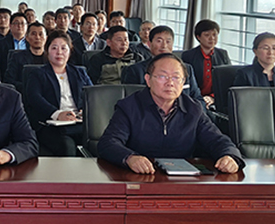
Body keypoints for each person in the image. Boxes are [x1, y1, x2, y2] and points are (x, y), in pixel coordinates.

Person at [98, 53, 243, 173]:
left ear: (183, 82)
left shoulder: (193, 109)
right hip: (140, 177)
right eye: (162, 76)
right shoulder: (129, 107)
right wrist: (130, 158)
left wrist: (230, 156)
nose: (170, 83)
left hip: (181, 181)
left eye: (176, 77)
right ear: (148, 80)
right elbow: (108, 143)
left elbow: (217, 140)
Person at [24, 31, 92, 156]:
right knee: (67, 147)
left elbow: (92, 95)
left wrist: (85, 110)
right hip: (51, 126)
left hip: (78, 123)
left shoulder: (79, 72)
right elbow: (34, 98)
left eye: (63, 48)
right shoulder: (37, 74)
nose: (59, 52)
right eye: (54, 48)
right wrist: (57, 114)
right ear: (47, 51)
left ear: (70, 51)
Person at [122, 26, 207, 110]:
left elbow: (198, 99)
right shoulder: (135, 70)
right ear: (149, 44)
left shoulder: (187, 69)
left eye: (168, 41)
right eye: (159, 41)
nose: (164, 45)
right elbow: (133, 103)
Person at [181, 19, 231, 108]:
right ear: (198, 37)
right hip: (194, 99)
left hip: (217, 99)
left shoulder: (223, 54)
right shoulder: (188, 56)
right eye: (207, 35)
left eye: (214, 35)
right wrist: (200, 99)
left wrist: (212, 98)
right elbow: (187, 84)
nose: (212, 38)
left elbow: (227, 81)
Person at [4, 21, 47, 92]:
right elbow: (8, 80)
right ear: (27, 38)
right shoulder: (17, 57)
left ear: (46, 38)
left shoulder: (51, 58)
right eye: (33, 34)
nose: (37, 37)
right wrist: (28, 87)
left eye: (40, 34)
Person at [0, 11, 28, 80]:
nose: (19, 26)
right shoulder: (0, 44)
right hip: (7, 79)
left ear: (27, 26)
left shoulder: (32, 43)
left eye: (22, 23)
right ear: (10, 26)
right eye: (16, 23)